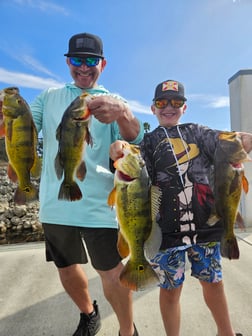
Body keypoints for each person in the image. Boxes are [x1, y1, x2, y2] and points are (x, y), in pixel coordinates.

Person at [110, 79, 252, 336]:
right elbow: (132, 168)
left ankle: (226, 333)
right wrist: (119, 150)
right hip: (166, 234)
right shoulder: (149, 143)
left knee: (214, 284)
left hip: (207, 228)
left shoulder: (198, 132)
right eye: (162, 102)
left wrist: (243, 140)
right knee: (171, 291)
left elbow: (225, 143)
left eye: (176, 102)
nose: (169, 107)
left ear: (184, 108)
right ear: (153, 108)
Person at [30, 32, 144, 336]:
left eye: (90, 60)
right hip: (55, 205)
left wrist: (122, 112)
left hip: (99, 205)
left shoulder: (114, 101)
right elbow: (24, 128)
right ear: (68, 62)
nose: (83, 67)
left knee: (112, 273)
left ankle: (126, 331)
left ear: (102, 64)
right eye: (77, 60)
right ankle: (88, 313)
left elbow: (136, 137)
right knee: (66, 269)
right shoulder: (48, 97)